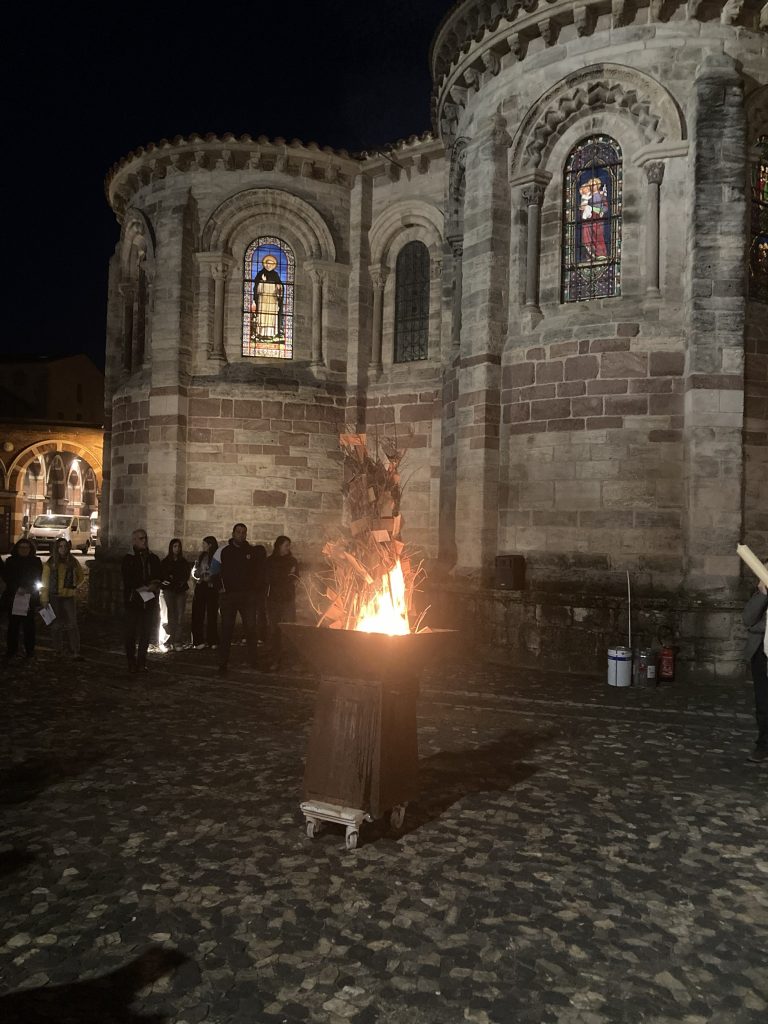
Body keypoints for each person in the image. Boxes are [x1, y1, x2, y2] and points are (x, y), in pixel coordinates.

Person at [209, 523, 267, 675]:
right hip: (229, 597)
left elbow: (258, 572)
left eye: (243, 532)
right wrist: (221, 589)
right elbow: (214, 572)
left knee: (251, 629)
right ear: (233, 533)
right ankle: (223, 664)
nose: (241, 534)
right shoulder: (224, 551)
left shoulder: (252, 552)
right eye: (238, 532)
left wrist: (254, 590)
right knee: (227, 629)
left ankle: (253, 661)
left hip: (248, 597)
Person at [121, 529, 162, 674]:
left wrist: (154, 585)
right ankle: (131, 661)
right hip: (133, 601)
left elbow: (158, 574)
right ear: (134, 541)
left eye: (145, 538)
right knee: (130, 634)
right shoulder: (128, 559)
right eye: (140, 538)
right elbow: (128, 579)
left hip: (149, 601)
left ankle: (142, 661)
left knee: (145, 633)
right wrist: (143, 587)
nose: (144, 540)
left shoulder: (153, 558)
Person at [41, 537, 85, 660]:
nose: (63, 549)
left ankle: (75, 650)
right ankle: (58, 649)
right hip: (54, 596)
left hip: (68, 596)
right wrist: (44, 599)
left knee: (72, 624)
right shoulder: (50, 563)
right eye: (60, 546)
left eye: (65, 546)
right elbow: (44, 582)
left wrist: (74, 586)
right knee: (56, 624)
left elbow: (81, 577)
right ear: (56, 548)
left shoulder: (73, 562)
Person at [1, 537, 43, 660]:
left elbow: (38, 576)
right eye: (21, 547)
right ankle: (11, 650)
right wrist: (17, 588)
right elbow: (7, 577)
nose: (24, 550)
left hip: (29, 596)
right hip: (14, 596)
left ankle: (30, 650)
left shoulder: (35, 561)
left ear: (31, 549)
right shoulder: (10, 561)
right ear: (17, 548)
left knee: (29, 625)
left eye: (26, 547)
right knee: (13, 625)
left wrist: (28, 588)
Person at [742, 566, 768, 763]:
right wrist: (762, 594)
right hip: (762, 652)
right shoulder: (760, 594)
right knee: (763, 702)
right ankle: (764, 745)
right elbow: (748, 619)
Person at [266, 535, 299, 667]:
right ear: (279, 546)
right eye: (286, 545)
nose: (288, 548)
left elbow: (295, 578)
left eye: (289, 546)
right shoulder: (270, 561)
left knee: (290, 629)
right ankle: (275, 658)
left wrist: (287, 577)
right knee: (275, 630)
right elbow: (270, 579)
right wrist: (286, 576)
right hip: (274, 600)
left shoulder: (292, 561)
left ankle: (290, 659)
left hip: (287, 600)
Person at [160, 538, 191, 651]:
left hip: (180, 591)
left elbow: (185, 575)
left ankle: (177, 641)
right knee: (169, 615)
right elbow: (163, 574)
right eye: (175, 546)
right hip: (169, 590)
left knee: (179, 616)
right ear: (171, 547)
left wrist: (177, 580)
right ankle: (169, 639)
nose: (177, 549)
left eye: (178, 546)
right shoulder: (166, 561)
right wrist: (167, 579)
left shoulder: (183, 562)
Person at [191, 535, 220, 649]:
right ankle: (198, 640)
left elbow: (218, 571)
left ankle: (212, 639)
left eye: (204, 544)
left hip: (212, 587)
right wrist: (198, 573)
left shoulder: (216, 557)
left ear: (210, 545)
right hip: (202, 586)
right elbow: (196, 571)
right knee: (198, 613)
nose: (202, 546)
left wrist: (212, 577)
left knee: (212, 614)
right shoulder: (202, 556)